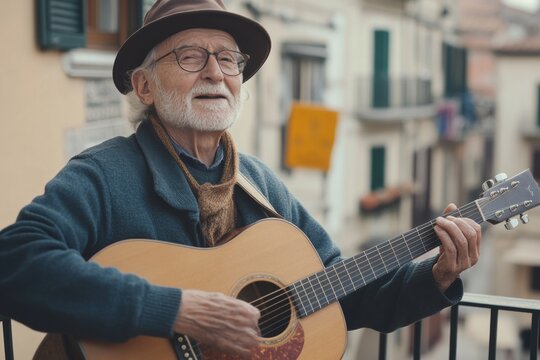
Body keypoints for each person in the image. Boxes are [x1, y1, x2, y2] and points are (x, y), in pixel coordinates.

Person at [0, 0, 481, 358]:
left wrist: (435, 275)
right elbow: (15, 261)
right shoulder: (104, 174)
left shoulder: (259, 183)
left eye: (228, 59)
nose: (215, 72)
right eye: (190, 57)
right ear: (144, 86)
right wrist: (176, 310)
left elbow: (341, 289)